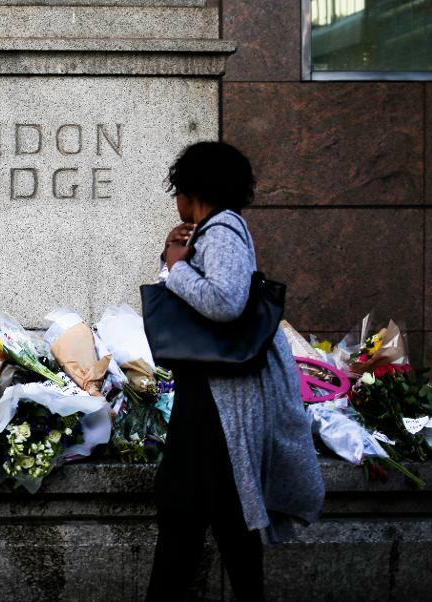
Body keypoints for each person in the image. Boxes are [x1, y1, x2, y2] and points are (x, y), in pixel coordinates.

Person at [145, 141, 324, 601]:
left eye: (178, 190)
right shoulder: (213, 230)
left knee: (194, 511)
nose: (176, 201)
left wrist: (177, 269)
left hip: (219, 402)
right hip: (209, 396)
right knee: (211, 513)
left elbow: (226, 302)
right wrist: (174, 255)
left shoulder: (223, 230)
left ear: (192, 190)